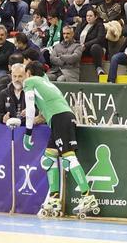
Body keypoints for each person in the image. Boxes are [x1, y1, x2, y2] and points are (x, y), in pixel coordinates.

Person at [10, 59, 99, 219]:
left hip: (59, 119)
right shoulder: (47, 83)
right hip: (63, 118)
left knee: (69, 158)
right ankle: (54, 199)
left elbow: (30, 109)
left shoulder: (30, 81)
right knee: (48, 160)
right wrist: (35, 118)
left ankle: (87, 196)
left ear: (28, 73)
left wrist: (28, 133)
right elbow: (45, 112)